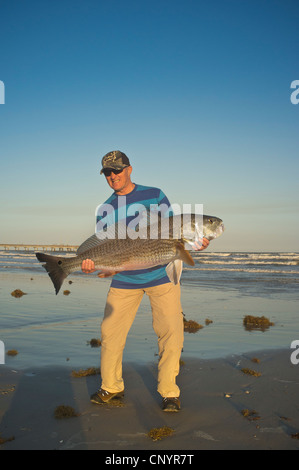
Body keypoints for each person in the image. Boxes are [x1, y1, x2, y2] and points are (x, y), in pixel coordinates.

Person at [81, 150, 209, 412]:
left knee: (171, 334)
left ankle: (169, 393)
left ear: (129, 169)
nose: (113, 176)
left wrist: (196, 242)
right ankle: (111, 388)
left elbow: (174, 233)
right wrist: (93, 266)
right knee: (110, 335)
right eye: (107, 172)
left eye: (117, 170)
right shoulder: (104, 209)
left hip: (161, 276)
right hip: (124, 281)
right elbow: (106, 251)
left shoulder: (155, 195)